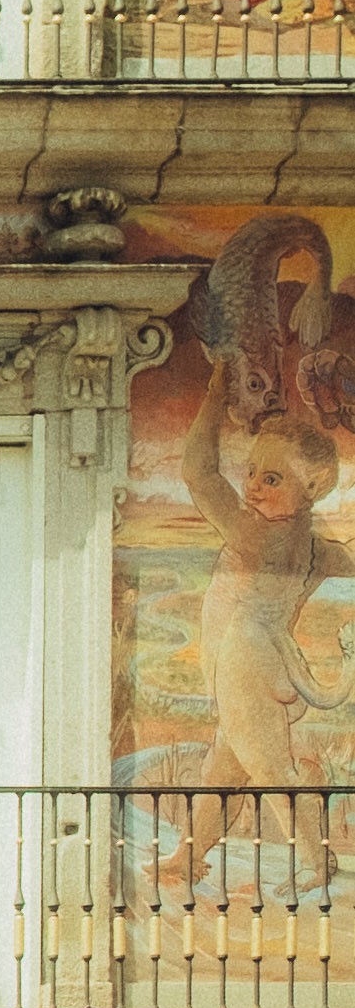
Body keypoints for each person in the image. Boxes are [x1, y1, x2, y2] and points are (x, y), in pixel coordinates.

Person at [156, 216, 355, 896]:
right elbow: (341, 559)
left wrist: (216, 391)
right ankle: (187, 859)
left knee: (270, 771)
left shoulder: (255, 533)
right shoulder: (309, 542)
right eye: (254, 472)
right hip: (259, 658)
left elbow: (196, 473)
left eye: (271, 478)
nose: (252, 486)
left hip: (245, 656)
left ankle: (315, 863)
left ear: (308, 490)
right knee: (225, 768)